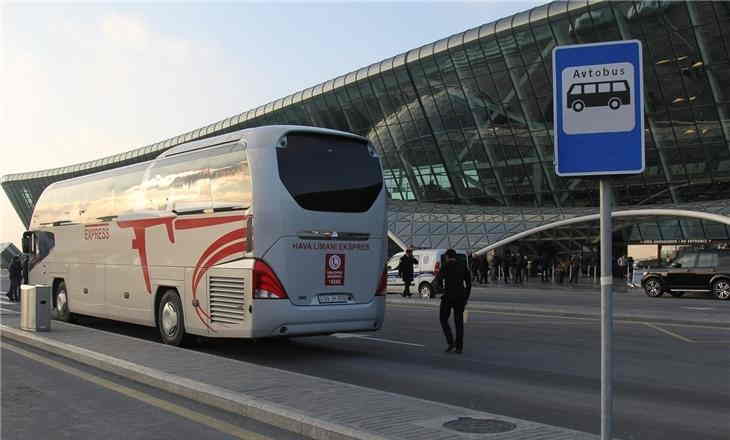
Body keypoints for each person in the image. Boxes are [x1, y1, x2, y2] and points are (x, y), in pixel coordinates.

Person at [434, 249, 471, 354]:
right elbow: (468, 283)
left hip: (448, 296)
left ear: (447, 257)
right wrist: (466, 297)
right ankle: (459, 347)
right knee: (459, 322)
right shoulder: (463, 265)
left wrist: (441, 290)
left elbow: (438, 280)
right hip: (460, 297)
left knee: (443, 319)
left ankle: (450, 342)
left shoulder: (445, 266)